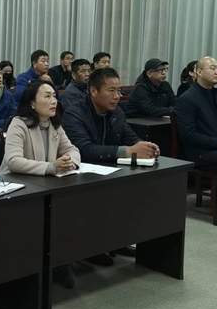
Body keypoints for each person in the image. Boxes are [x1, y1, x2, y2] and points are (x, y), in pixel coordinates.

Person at [63, 67, 159, 262]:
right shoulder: (74, 113)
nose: (117, 96)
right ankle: (91, 249)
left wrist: (145, 146)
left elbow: (130, 138)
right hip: (82, 174)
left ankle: (118, 241)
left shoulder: (117, 112)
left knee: (137, 190)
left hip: (110, 169)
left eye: (119, 90)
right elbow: (84, 149)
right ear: (93, 91)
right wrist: (127, 151)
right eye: (111, 91)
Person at [0, 81, 80, 288]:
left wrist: (69, 162)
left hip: (45, 185)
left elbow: (72, 149)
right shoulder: (19, 123)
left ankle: (61, 262)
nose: (54, 101)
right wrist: (52, 167)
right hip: (16, 187)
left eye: (54, 96)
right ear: (32, 103)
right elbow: (13, 161)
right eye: (47, 96)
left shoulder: (54, 124)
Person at [174, 57, 217, 184]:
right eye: (213, 68)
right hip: (202, 153)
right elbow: (188, 135)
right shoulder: (187, 99)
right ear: (199, 72)